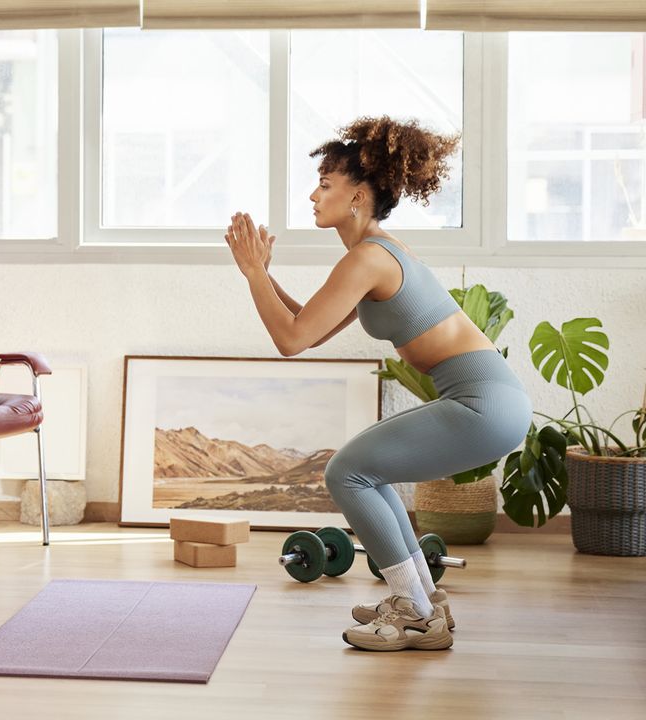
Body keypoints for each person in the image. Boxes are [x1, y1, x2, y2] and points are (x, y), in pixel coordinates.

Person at [224, 115, 531, 652]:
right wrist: (262, 274)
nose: (312, 195)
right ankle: (421, 600)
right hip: (489, 400)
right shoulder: (374, 253)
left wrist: (253, 274)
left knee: (348, 471)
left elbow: (291, 339)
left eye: (325, 184)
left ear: (358, 194)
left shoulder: (369, 258)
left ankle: (412, 610)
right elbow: (310, 329)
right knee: (369, 473)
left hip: (482, 403)